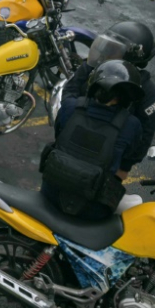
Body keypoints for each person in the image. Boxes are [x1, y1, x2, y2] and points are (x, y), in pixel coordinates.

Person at [40, 60, 144, 220]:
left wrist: (89, 62)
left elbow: (59, 134)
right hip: (93, 211)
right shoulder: (131, 125)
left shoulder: (70, 106)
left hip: (50, 194)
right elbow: (127, 158)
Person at [62, 21, 155, 180]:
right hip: (74, 143)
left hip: (108, 161)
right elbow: (70, 89)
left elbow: (144, 137)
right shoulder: (95, 68)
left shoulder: (147, 93)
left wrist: (124, 166)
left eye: (113, 50)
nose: (105, 52)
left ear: (131, 58)